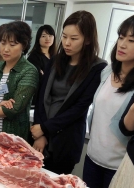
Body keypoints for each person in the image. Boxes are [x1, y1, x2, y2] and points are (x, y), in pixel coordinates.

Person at [84, 14, 134, 188]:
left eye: (132, 40)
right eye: (121, 37)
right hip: (93, 157)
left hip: (120, 165)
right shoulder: (107, 71)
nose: (123, 44)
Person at [31, 11, 107, 175]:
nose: (66, 43)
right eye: (64, 36)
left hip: (66, 140)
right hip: (40, 135)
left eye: (74, 39)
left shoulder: (97, 67)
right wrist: (40, 133)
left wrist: (45, 128)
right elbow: (41, 97)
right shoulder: (55, 60)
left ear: (87, 39)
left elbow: (79, 108)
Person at [0, 21, 39, 142]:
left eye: (13, 44)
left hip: (11, 140)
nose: (6, 49)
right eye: (3, 43)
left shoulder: (29, 71)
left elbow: (14, 108)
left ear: (24, 45)